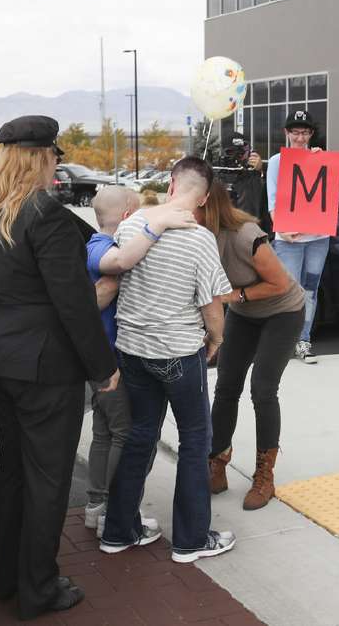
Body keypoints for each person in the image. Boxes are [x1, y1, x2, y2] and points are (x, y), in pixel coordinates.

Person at [0, 115, 116, 618]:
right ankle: (39, 590)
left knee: (12, 472)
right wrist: (102, 367)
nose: (56, 162)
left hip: (0, 354)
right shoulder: (44, 213)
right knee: (47, 479)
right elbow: (72, 302)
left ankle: (8, 579)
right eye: (54, 154)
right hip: (47, 364)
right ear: (42, 156)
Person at [101, 157, 238, 564]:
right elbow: (211, 304)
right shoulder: (199, 238)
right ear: (206, 195)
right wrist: (216, 339)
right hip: (179, 352)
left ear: (172, 184)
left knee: (141, 435)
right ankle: (192, 540)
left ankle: (118, 532)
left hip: (133, 351)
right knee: (196, 441)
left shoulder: (132, 226)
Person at [82, 185, 197, 534]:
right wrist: (157, 226)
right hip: (113, 359)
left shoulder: (104, 243)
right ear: (130, 214)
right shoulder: (103, 248)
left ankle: (97, 504)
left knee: (105, 431)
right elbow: (114, 267)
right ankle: (116, 514)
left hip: (100, 356)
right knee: (126, 435)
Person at [202, 182, 306, 511]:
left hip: (283, 312)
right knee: (226, 385)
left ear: (208, 205)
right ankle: (217, 463)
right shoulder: (197, 234)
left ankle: (264, 476)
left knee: (262, 388)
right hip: (244, 315)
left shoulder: (246, 235)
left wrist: (236, 296)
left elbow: (280, 283)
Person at [267, 109, 333, 364]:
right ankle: (285, 340)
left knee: (310, 290)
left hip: (318, 236)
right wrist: (280, 227)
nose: (300, 137)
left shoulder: (319, 159)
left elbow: (333, 193)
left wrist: (322, 161)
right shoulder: (276, 162)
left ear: (311, 134)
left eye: (305, 132)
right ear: (287, 133)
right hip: (289, 238)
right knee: (289, 290)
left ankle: (303, 340)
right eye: (295, 132)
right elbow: (272, 200)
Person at [217, 131, 267, 222]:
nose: (240, 157)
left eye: (243, 152)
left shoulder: (253, 175)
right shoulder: (216, 176)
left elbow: (270, 193)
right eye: (232, 153)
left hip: (250, 227)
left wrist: (262, 170)